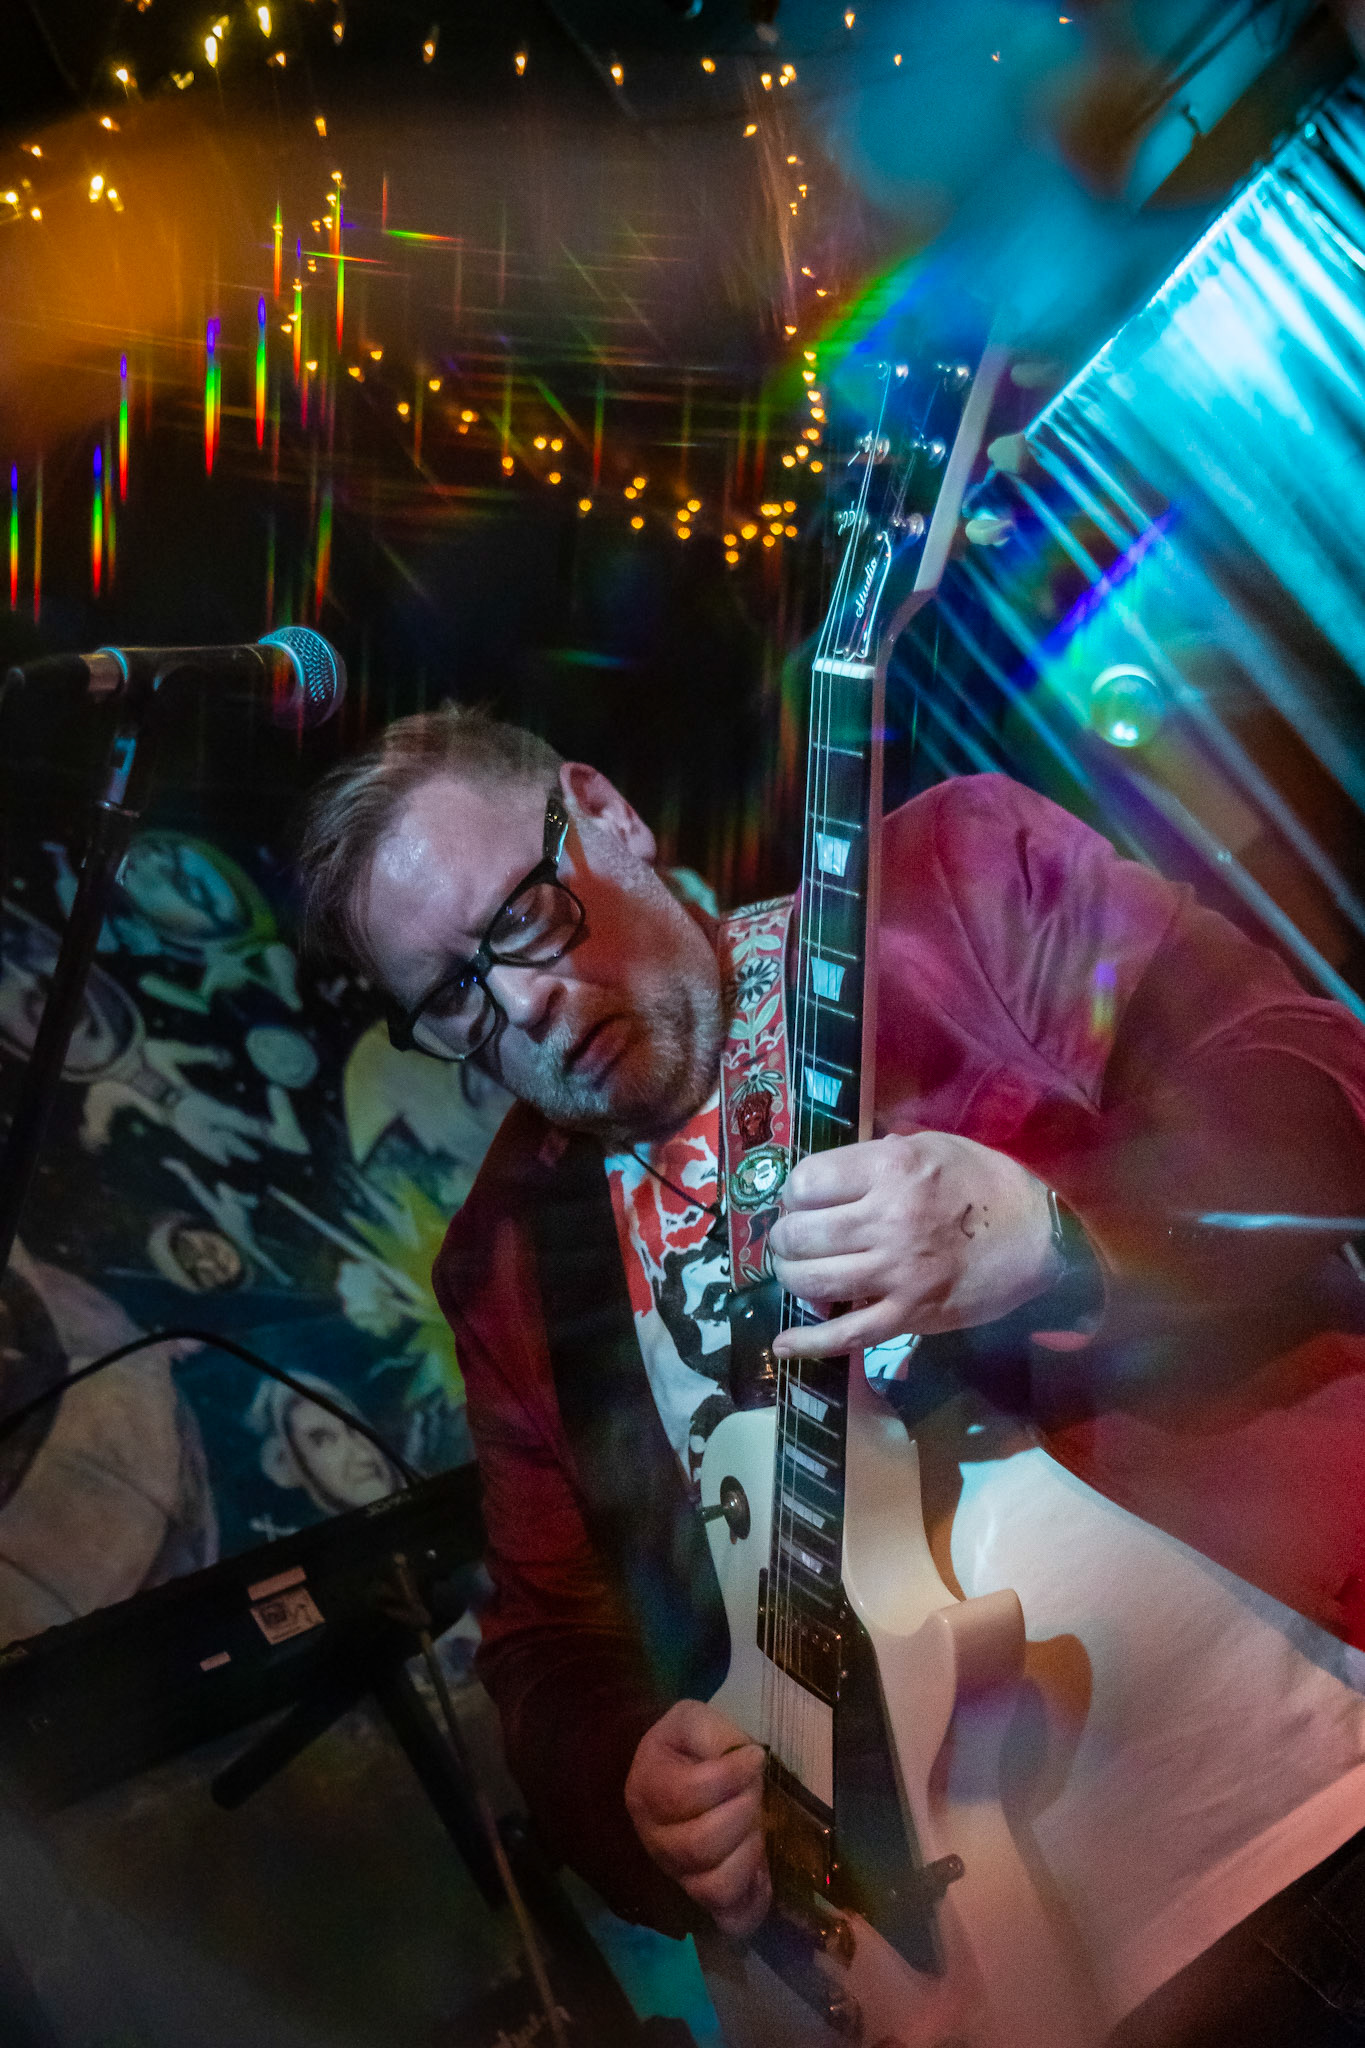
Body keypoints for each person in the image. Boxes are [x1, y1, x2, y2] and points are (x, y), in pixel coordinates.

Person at [296, 705, 1365, 2046]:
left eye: (521, 916)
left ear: (606, 813)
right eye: (452, 997)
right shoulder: (506, 1256)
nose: (520, 1004)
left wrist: (1053, 1233)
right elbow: (548, 1647)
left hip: (1311, 1802)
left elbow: (1312, 1080)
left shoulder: (942, 889)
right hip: (983, 1991)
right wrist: (629, 1783)